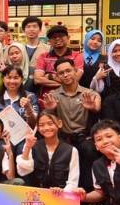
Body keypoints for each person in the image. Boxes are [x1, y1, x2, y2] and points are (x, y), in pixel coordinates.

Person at [41, 58, 101, 191]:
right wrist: (50, 109)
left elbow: (97, 108)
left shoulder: (90, 93)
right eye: (61, 73)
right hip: (63, 137)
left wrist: (92, 108)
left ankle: (89, 195)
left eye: (68, 71)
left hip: (84, 137)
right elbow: (45, 119)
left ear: (75, 71)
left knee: (90, 150)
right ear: (57, 76)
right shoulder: (53, 95)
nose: (65, 75)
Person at [16, 112, 81, 191]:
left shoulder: (71, 150)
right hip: (36, 194)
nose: (46, 128)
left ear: (59, 123)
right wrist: (27, 147)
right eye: (42, 125)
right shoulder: (32, 146)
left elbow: (73, 182)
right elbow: (22, 171)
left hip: (61, 196)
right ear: (38, 128)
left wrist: (63, 191)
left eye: (50, 123)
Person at [33, 25, 83, 98]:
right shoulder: (43, 57)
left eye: (61, 35)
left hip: (71, 98)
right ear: (49, 41)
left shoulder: (77, 56)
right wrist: (66, 82)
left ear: (68, 38)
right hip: (48, 98)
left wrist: (51, 76)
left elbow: (75, 79)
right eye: (53, 37)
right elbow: (38, 79)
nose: (57, 38)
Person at [20, 16, 48, 92]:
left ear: (40, 30)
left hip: (40, 88)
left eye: (35, 26)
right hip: (20, 87)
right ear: (23, 30)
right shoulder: (18, 48)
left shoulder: (48, 49)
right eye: (28, 27)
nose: (31, 29)